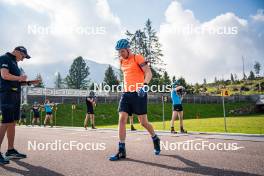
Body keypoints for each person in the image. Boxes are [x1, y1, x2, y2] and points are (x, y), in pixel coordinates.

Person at [109, 39, 160, 161]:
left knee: (143, 122)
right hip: (126, 94)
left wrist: (144, 85)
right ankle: (121, 150)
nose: (120, 54)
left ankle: (155, 138)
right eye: (118, 52)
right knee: (122, 119)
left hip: (139, 93)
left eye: (122, 51)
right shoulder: (121, 61)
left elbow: (148, 73)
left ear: (128, 49)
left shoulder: (138, 58)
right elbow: (127, 76)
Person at [0, 46, 40, 164]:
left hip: (15, 94)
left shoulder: (14, 63)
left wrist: (31, 82)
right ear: (17, 51)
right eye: (23, 56)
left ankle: (10, 150)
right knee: (6, 122)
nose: (23, 59)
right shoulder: (4, 58)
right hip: (6, 93)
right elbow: (4, 75)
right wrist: (19, 77)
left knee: (12, 122)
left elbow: (18, 82)